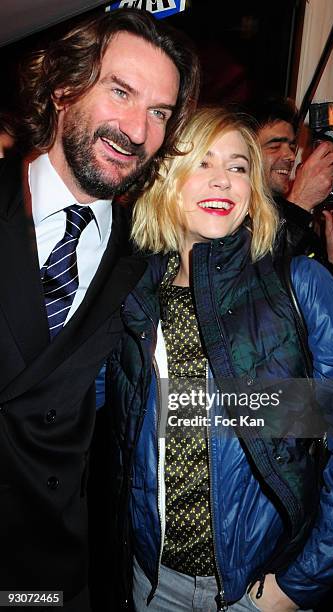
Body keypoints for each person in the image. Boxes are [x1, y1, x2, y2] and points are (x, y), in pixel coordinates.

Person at [107, 107, 333, 612]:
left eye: (239, 166)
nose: (223, 179)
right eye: (203, 162)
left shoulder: (301, 286)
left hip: (258, 591)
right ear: (166, 180)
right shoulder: (132, 296)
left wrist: (298, 584)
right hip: (151, 582)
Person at [0, 8, 199, 612]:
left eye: (160, 112)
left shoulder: (152, 262)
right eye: (121, 91)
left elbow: (213, 398)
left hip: (49, 579)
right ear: (63, 88)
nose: (138, 130)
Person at [251, 97, 333, 316]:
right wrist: (300, 201)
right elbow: (257, 300)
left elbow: (332, 318)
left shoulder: (292, 217)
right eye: (274, 145)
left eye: (292, 146)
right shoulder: (227, 217)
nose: (291, 156)